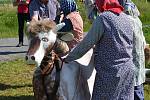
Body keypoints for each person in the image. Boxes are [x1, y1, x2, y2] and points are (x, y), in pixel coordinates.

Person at [64, 0, 136, 99]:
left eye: (97, 4)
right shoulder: (126, 18)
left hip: (110, 72)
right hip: (128, 69)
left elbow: (86, 44)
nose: (96, 7)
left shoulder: (103, 18)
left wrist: (68, 58)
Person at [118, 0, 146, 100]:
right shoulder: (138, 21)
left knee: (133, 92)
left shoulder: (126, 21)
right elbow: (143, 43)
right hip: (139, 64)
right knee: (138, 90)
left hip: (130, 65)